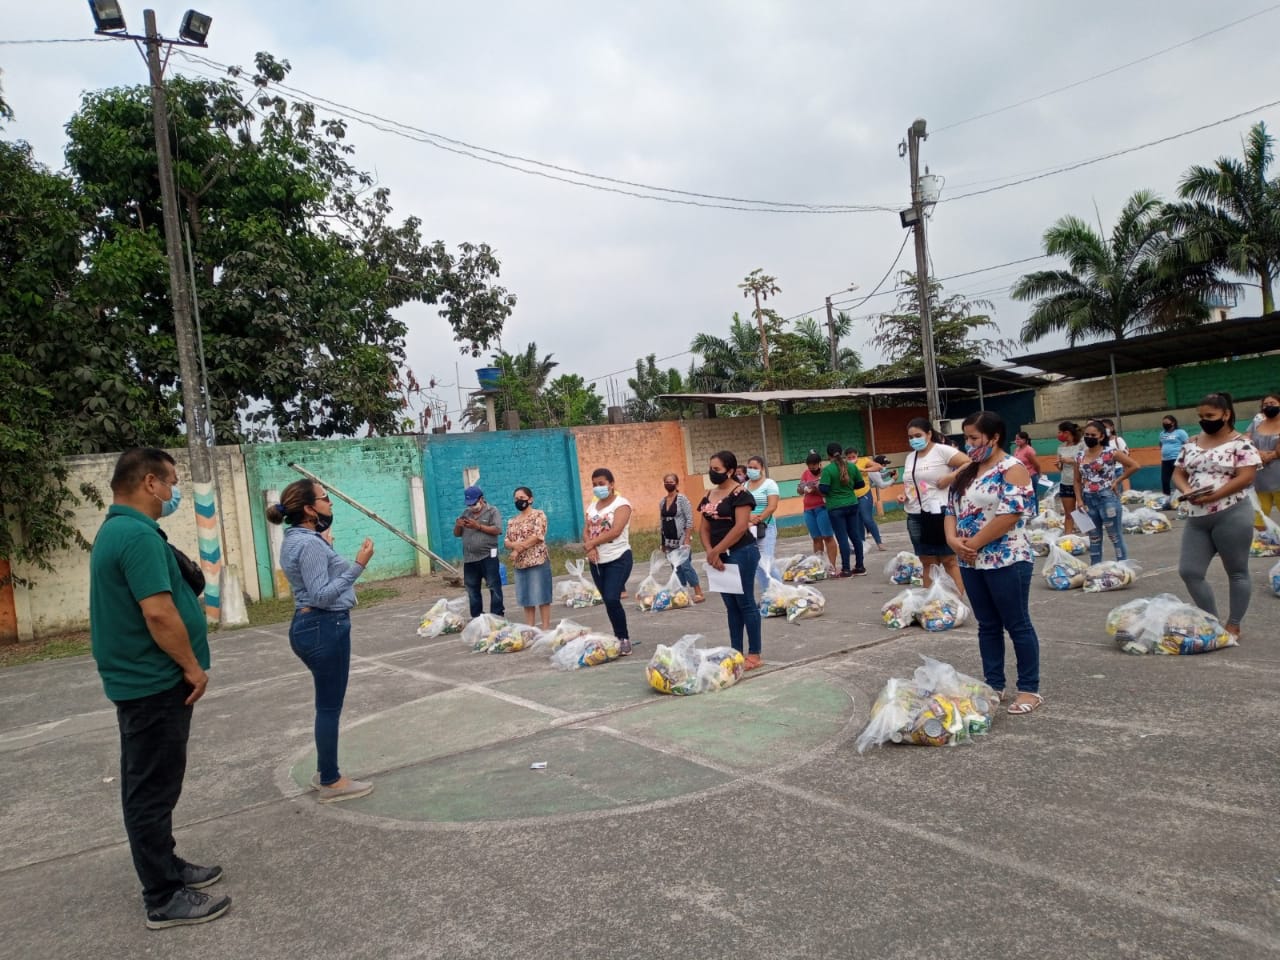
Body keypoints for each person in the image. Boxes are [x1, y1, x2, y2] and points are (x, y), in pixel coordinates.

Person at [89, 448, 231, 929]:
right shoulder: (134, 535)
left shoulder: (124, 530)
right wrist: (192, 667)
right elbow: (158, 612)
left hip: (146, 681)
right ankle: (163, 896)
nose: (174, 492)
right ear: (150, 482)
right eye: (171, 482)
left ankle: (166, 864)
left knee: (157, 784)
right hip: (152, 683)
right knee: (151, 790)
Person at [269, 479, 376, 804]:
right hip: (324, 625)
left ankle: (325, 771)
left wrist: (324, 544)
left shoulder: (296, 539)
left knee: (325, 705)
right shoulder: (310, 544)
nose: (330, 503)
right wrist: (359, 564)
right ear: (309, 509)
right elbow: (322, 595)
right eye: (325, 498)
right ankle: (330, 779)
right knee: (329, 708)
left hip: (310, 626)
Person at [944, 412, 1043, 716]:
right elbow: (951, 510)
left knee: (1017, 624)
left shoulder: (1012, 469)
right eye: (966, 437)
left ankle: (1029, 689)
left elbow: (1010, 514)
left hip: (1006, 558)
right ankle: (993, 684)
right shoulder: (967, 471)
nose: (969, 443)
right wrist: (953, 542)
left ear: (995, 437)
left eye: (974, 437)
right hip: (970, 561)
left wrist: (972, 545)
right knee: (987, 626)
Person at [1173, 392, 1261, 640]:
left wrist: (1213, 496)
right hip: (1197, 518)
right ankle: (1211, 621)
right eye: (1201, 416)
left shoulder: (1241, 444)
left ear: (1226, 414)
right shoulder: (1191, 443)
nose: (1204, 420)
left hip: (1231, 513)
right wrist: (1187, 490)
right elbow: (1178, 473)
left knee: (1237, 571)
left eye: (1210, 416)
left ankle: (1233, 625)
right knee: (1189, 572)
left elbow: (1246, 477)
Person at [697, 450, 764, 670]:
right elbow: (704, 528)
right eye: (711, 468)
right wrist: (711, 552)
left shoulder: (740, 494)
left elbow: (741, 526)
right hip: (718, 556)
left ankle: (754, 653)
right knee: (731, 605)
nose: (712, 472)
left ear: (730, 470)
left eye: (717, 469)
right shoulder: (709, 494)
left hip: (741, 552)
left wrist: (717, 551)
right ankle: (736, 651)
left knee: (745, 602)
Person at [899, 417, 969, 595]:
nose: (914, 440)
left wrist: (951, 477)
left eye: (918, 435)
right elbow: (912, 482)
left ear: (929, 434)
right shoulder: (910, 457)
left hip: (940, 513)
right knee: (927, 562)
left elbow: (969, 463)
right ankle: (932, 604)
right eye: (910, 437)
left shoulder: (942, 451)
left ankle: (956, 602)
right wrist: (904, 495)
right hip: (916, 514)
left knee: (948, 560)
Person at [583, 468, 633, 653]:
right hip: (597, 561)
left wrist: (591, 543)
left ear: (611, 484)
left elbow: (616, 531)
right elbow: (586, 530)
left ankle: (623, 638)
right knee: (608, 601)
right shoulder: (592, 506)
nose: (598, 487)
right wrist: (590, 547)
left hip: (618, 557)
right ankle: (617, 636)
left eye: (601, 484)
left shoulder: (622, 505)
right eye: (594, 484)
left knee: (612, 597)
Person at [1075, 420, 1139, 564]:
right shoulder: (1079, 456)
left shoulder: (1110, 452)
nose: (1089, 437)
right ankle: (1095, 568)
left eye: (1093, 435)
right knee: (1094, 538)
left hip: (1107, 498)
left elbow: (1134, 466)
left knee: (1115, 536)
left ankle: (1123, 567)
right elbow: (1077, 480)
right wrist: (1079, 499)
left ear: (1102, 436)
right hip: (1088, 500)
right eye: (1086, 435)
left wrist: (1117, 481)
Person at [505, 486, 552, 630]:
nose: (519, 501)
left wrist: (517, 549)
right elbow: (506, 541)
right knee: (526, 598)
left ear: (530, 499)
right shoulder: (512, 521)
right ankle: (530, 628)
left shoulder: (538, 515)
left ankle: (545, 628)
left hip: (537, 561)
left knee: (542, 595)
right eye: (516, 499)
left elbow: (537, 536)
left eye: (522, 498)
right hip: (520, 564)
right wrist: (514, 546)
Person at [453, 486, 504, 619]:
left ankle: (497, 614)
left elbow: (497, 530)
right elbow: (457, 534)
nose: (472, 507)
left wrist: (478, 526)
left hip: (488, 556)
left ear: (481, 499)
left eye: (474, 503)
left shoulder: (492, 511)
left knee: (493, 585)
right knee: (472, 588)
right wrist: (458, 525)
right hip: (470, 558)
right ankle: (477, 616)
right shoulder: (466, 513)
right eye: (469, 504)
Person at [819, 442, 866, 577]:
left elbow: (824, 489)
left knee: (842, 537)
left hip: (836, 507)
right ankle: (860, 566)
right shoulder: (852, 466)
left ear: (828, 455)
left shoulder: (828, 470)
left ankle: (846, 569)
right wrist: (848, 488)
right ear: (842, 452)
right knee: (855, 535)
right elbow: (860, 484)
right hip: (852, 504)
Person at [659, 473, 705, 603]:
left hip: (681, 538)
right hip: (669, 539)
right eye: (666, 481)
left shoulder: (682, 499)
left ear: (677, 484)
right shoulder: (662, 501)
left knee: (685, 566)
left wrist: (687, 538)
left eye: (671, 481)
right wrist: (663, 542)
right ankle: (682, 593)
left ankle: (698, 591)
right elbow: (661, 521)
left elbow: (689, 519)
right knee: (675, 567)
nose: (668, 484)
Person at [745, 455, 780, 591]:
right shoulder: (744, 486)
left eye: (755, 468)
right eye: (749, 467)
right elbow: (740, 507)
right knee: (756, 562)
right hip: (748, 528)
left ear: (762, 469)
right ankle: (767, 593)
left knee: (766, 562)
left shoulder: (769, 484)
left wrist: (758, 519)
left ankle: (778, 592)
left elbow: (772, 506)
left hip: (765, 526)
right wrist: (749, 517)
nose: (751, 470)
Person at [797, 450, 837, 569]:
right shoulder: (806, 473)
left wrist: (816, 489)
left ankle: (832, 566)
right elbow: (799, 490)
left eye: (814, 466)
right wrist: (803, 488)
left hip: (822, 507)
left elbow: (828, 492)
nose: (812, 468)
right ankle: (819, 565)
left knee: (827, 536)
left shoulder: (825, 473)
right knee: (816, 538)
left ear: (820, 464)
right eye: (809, 466)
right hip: (809, 509)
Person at [1247, 391, 1280, 522]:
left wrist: (1272, 455)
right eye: (1265, 404)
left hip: (1278, 476)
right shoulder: (1257, 423)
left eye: (1272, 403)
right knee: (1258, 519)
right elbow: (1246, 440)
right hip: (1260, 479)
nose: (1269, 406)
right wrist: (1258, 453)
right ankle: (1266, 536)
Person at [847, 446, 885, 551]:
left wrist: (864, 469)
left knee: (867, 519)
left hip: (864, 493)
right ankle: (861, 544)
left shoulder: (864, 461)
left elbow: (878, 467)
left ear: (857, 455)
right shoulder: (845, 465)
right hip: (852, 496)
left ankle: (879, 542)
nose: (851, 459)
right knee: (857, 521)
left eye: (853, 457)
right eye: (849, 457)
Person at [1055, 421, 1084, 533]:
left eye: (1060, 432)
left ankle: (1089, 535)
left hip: (1081, 482)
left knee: (1083, 510)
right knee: (1069, 513)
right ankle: (1068, 536)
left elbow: (1086, 462)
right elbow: (1061, 468)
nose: (1058, 435)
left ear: (1067, 433)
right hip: (1066, 482)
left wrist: (1071, 461)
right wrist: (1059, 465)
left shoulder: (1081, 445)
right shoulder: (1061, 448)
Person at [1012, 432, 1043, 514]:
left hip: (1031, 476)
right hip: (1020, 477)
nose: (1016, 441)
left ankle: (1035, 513)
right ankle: (1026, 513)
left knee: (1032, 496)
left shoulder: (1029, 450)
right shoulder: (1017, 449)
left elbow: (1036, 464)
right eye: (1016, 439)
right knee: (1022, 496)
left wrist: (1040, 474)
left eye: (1018, 439)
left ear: (1025, 440)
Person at [1159, 416, 1190, 498]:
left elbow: (1187, 444)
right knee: (1165, 480)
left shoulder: (1180, 432)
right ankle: (1166, 497)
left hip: (1177, 458)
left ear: (1173, 423)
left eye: (1167, 423)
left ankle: (1184, 494)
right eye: (1163, 423)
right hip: (1165, 460)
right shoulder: (1162, 433)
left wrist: (1184, 456)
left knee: (1179, 478)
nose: (1165, 424)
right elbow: (1161, 444)